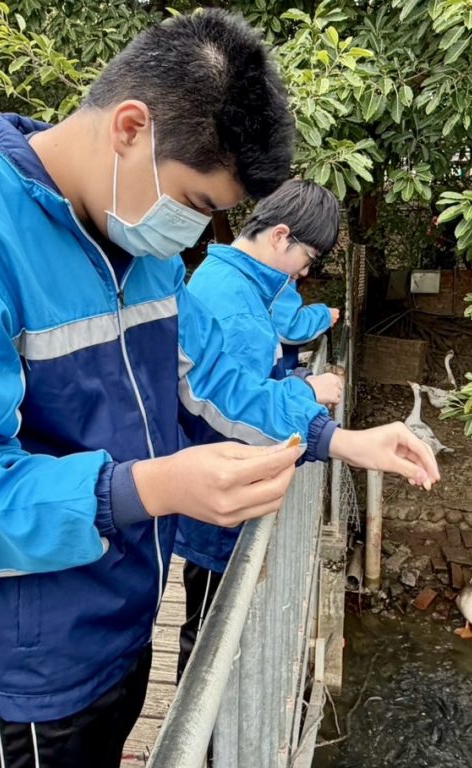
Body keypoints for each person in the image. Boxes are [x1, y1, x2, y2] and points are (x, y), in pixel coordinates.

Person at [0, 10, 439, 767]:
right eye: (198, 204)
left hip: (125, 605)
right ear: (129, 128)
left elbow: (202, 385)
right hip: (33, 648)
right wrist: (147, 490)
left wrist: (336, 439)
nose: (195, 231)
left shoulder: (141, 247)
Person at [174, 179, 341, 681]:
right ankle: (199, 747)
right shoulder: (237, 304)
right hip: (219, 497)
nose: (305, 271)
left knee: (205, 613)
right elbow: (239, 413)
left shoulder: (230, 279)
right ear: (280, 236)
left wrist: (297, 384)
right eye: (307, 257)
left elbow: (249, 383)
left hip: (215, 489)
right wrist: (309, 398)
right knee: (208, 631)